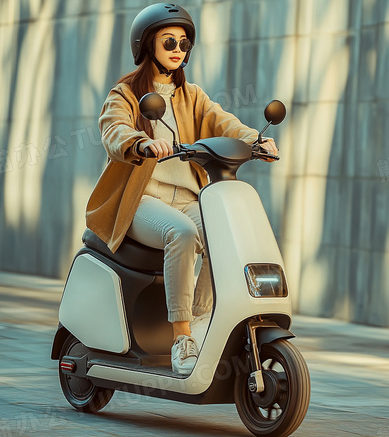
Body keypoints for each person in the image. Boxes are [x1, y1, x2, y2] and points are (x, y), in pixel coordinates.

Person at [84, 3, 278, 374]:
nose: (178, 49)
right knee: (183, 233)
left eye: (184, 43)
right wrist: (140, 142)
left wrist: (256, 140)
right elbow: (114, 129)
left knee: (223, 234)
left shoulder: (193, 95)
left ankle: (204, 319)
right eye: (169, 41)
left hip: (187, 198)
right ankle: (182, 337)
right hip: (141, 202)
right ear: (146, 46)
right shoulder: (124, 93)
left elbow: (223, 121)